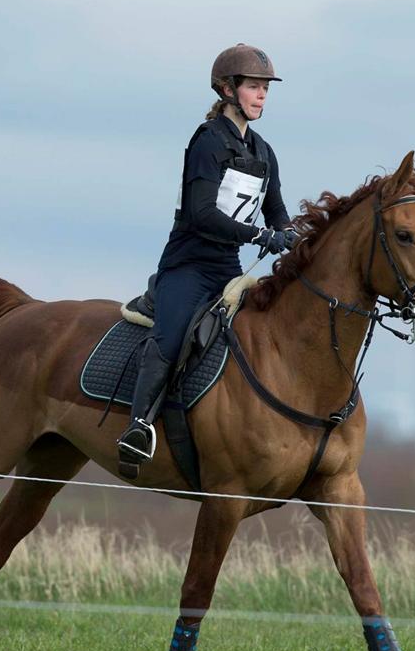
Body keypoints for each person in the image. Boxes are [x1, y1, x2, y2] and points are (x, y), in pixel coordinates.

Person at [116, 43, 297, 471]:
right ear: (228, 89)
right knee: (173, 335)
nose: (261, 96)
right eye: (254, 87)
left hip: (227, 269)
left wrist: (289, 233)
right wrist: (259, 235)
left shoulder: (264, 152)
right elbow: (202, 215)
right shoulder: (207, 142)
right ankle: (138, 426)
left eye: (265, 90)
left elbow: (276, 210)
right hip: (188, 266)